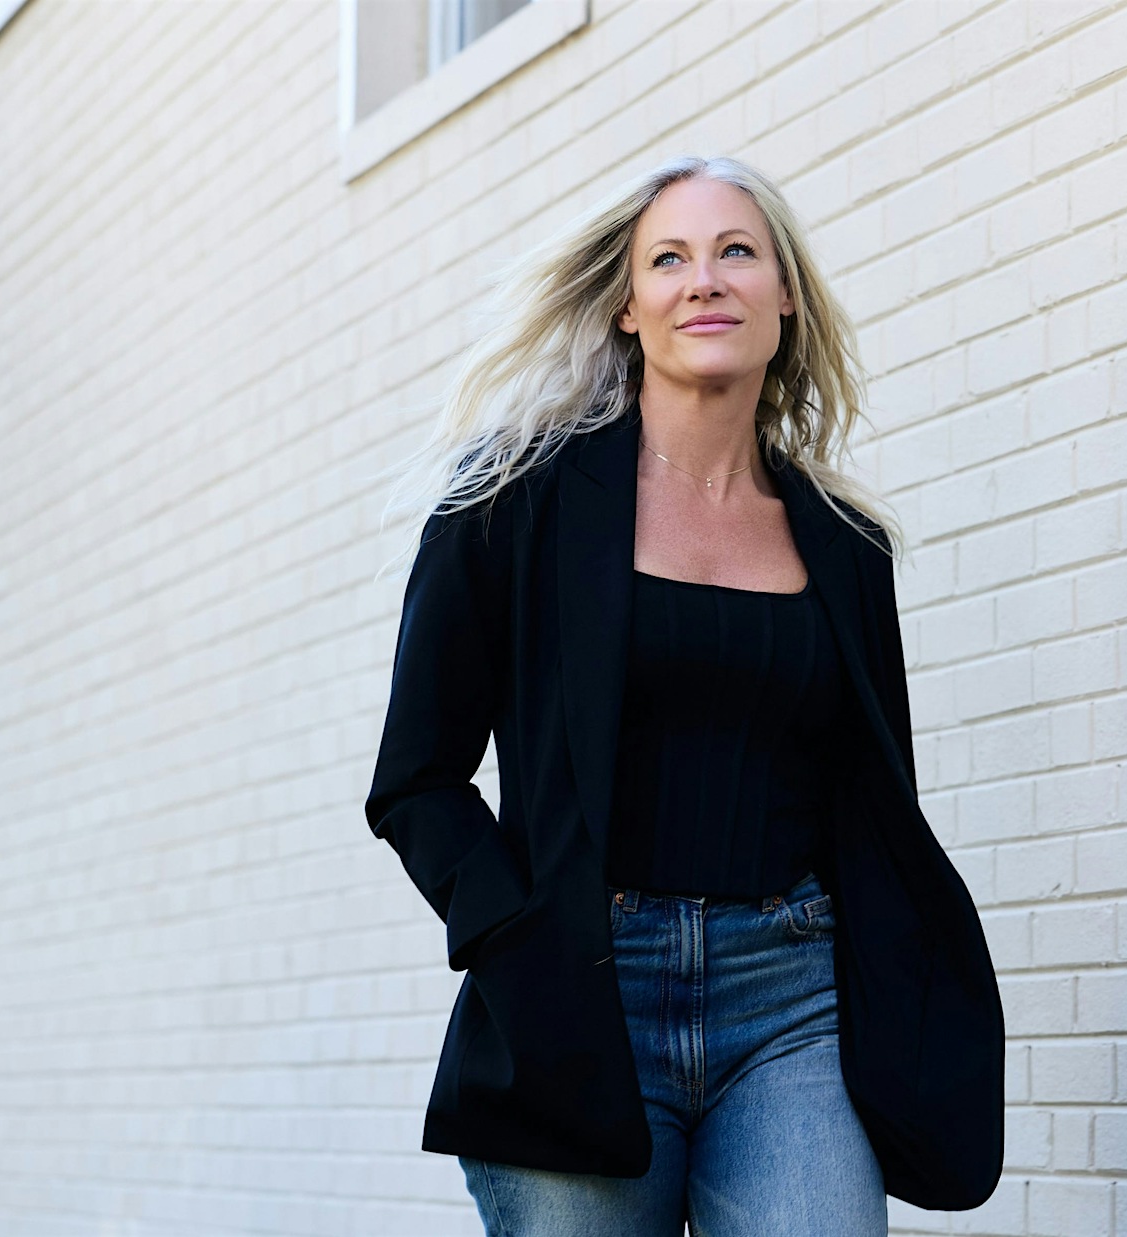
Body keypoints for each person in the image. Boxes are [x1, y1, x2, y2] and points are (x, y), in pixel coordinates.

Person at [362, 154, 1004, 1236]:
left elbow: (867, 801)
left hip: (791, 1005)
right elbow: (415, 780)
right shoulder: (513, 506)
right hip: (582, 994)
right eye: (670, 258)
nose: (703, 279)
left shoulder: (845, 549)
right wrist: (520, 940)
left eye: (735, 251)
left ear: (785, 295)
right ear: (627, 305)